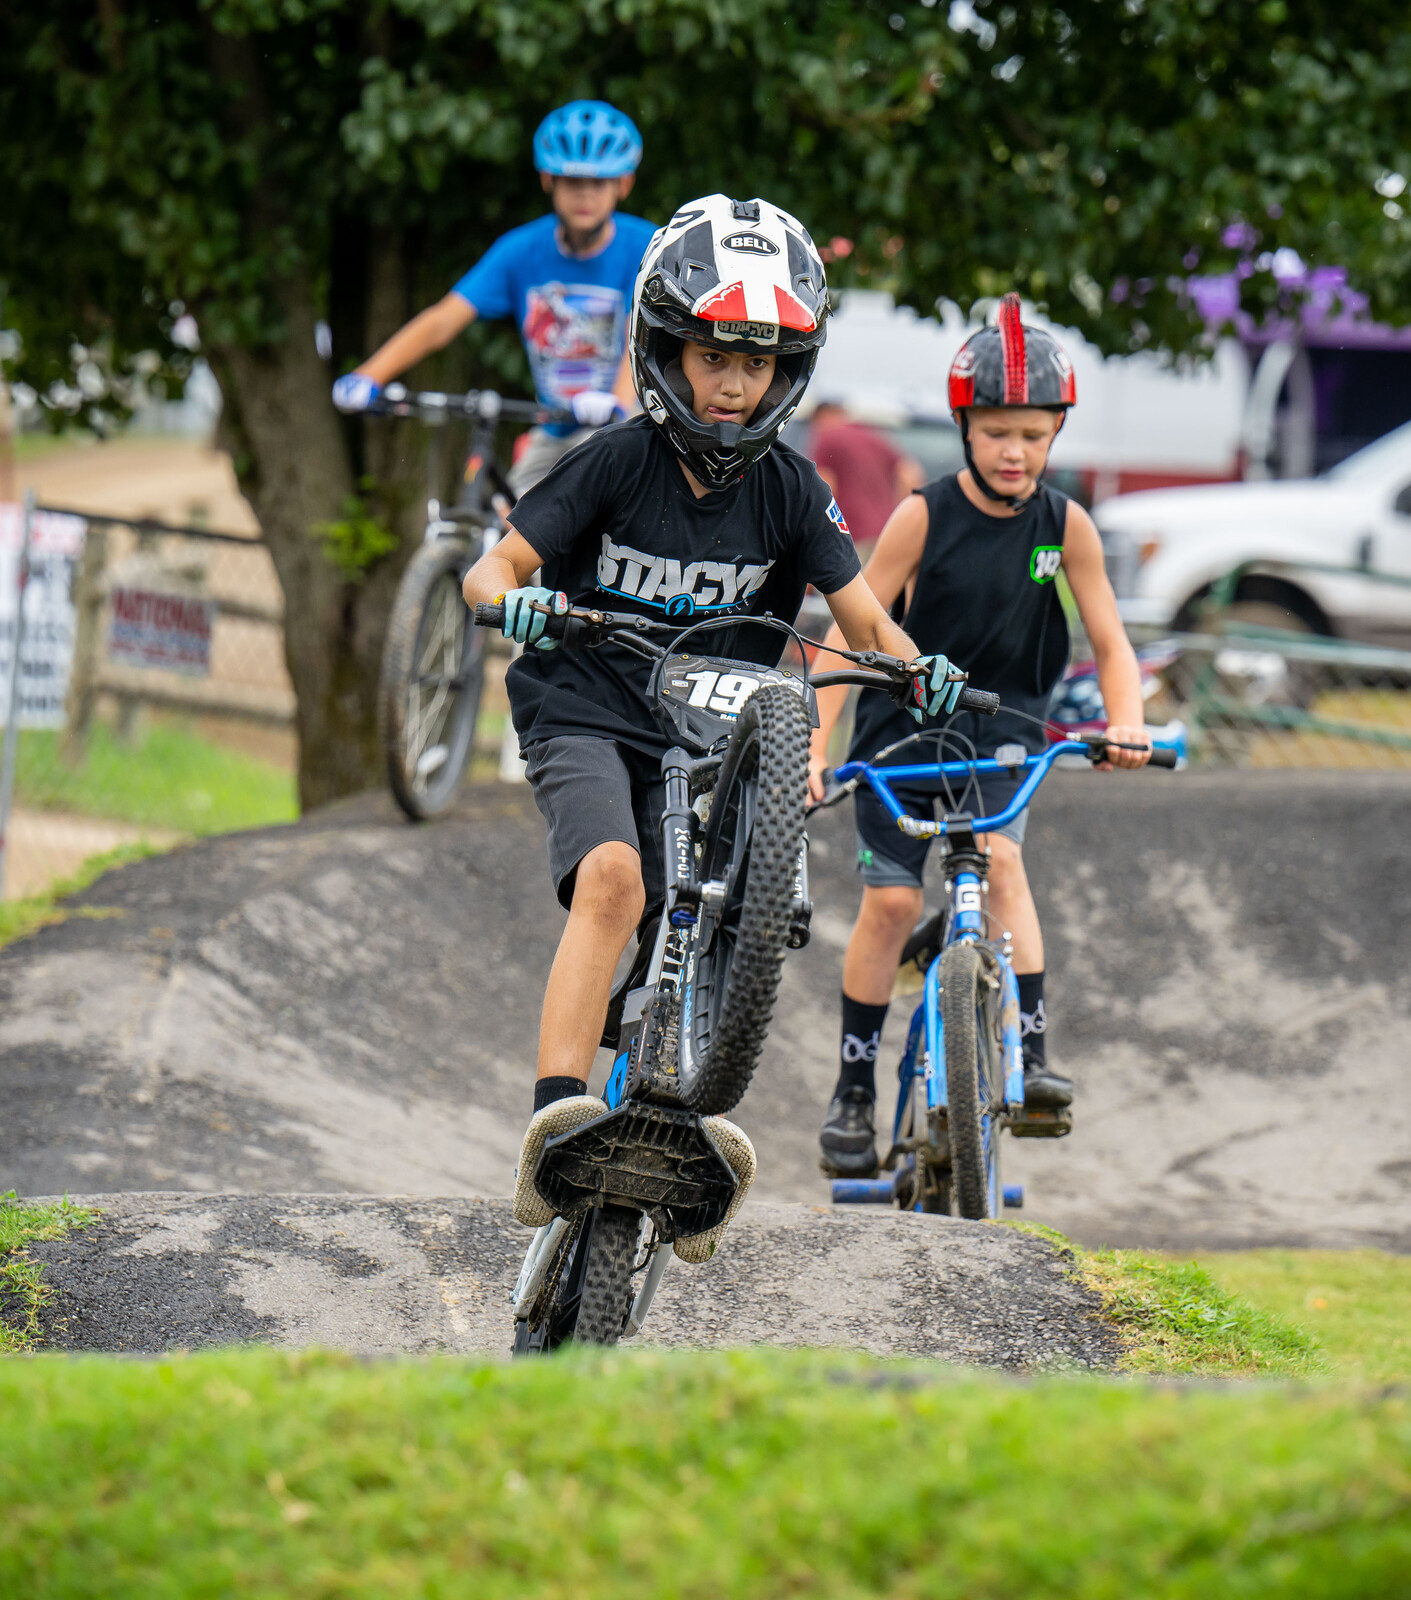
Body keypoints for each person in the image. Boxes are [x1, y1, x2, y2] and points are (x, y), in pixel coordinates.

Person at [459, 194, 962, 1255]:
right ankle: (554, 1122)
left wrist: (924, 673)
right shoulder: (613, 461)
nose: (736, 384)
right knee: (615, 882)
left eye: (763, 362)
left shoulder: (791, 488)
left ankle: (680, 1112)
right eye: (713, 357)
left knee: (733, 907)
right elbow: (490, 568)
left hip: (716, 730)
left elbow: (864, 618)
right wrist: (521, 595)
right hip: (588, 702)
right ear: (663, 349)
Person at [807, 294, 1149, 1179]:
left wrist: (1129, 724)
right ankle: (852, 1093)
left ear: (1055, 435)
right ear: (965, 428)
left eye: (1034, 435)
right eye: (997, 431)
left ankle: (1031, 1061)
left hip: (1003, 745)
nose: (1015, 452)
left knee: (1002, 865)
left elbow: (1110, 638)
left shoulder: (1066, 527)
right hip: (899, 744)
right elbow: (852, 627)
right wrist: (812, 749)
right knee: (887, 906)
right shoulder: (924, 515)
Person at [332, 101, 652, 493]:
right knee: (512, 525)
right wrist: (369, 375)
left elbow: (644, 337)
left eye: (598, 182)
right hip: (552, 428)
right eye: (572, 182)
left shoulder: (648, 248)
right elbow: (444, 320)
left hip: (628, 426)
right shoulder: (520, 250)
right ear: (548, 180)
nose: (584, 194)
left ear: (623, 184)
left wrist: (618, 403)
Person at [806, 398, 922, 557]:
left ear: (822, 416)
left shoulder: (828, 436)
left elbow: (823, 490)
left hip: (849, 538)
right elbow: (910, 474)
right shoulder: (873, 436)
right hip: (884, 535)